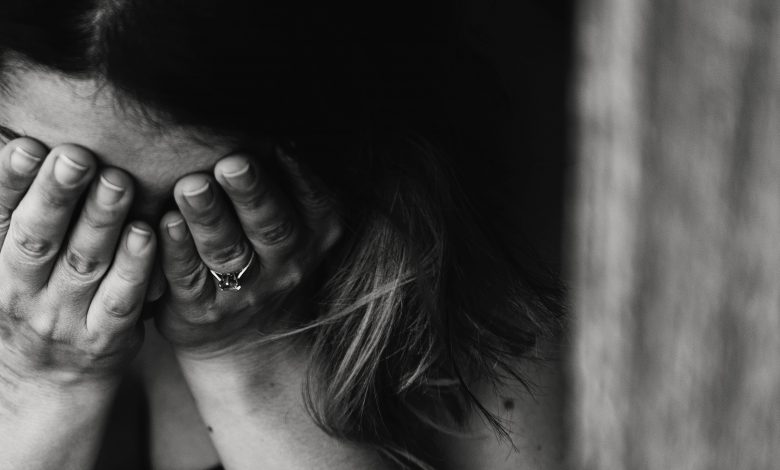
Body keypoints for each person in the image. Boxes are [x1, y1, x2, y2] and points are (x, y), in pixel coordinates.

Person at [0, 1, 566, 468]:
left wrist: (251, 358)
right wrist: (44, 385)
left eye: (199, 207)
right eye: (56, 190)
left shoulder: (473, 297)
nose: (128, 273)